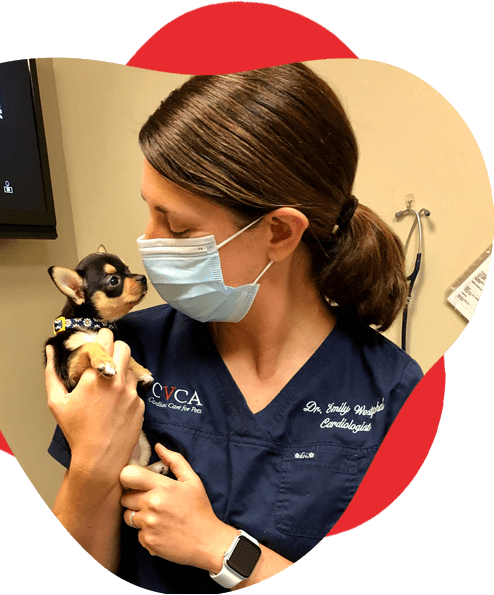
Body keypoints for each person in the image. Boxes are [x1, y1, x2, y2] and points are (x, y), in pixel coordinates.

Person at [45, 63, 423, 593]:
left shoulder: (392, 393)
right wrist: (88, 463)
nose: (148, 243)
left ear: (278, 231)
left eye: (176, 226)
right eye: (150, 213)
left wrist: (221, 548)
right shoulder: (130, 351)